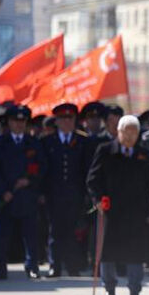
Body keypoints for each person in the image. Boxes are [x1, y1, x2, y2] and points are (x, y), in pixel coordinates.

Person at [86, 115, 149, 295]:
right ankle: (109, 287)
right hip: (111, 209)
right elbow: (93, 179)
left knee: (136, 251)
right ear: (119, 131)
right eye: (127, 131)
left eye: (134, 131)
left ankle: (134, 289)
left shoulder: (144, 153)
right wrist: (98, 200)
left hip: (135, 211)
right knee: (108, 250)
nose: (130, 135)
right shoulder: (106, 150)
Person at [0, 104, 45, 280]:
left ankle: (32, 266)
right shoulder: (0, 143)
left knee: (30, 234)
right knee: (2, 235)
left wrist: (30, 181)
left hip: (27, 196)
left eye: (22, 121)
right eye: (15, 121)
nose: (19, 124)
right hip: (7, 196)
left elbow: (43, 167)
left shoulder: (33, 143)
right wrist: (2, 190)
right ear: (9, 122)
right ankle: (0, 267)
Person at [40, 102, 90, 278]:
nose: (67, 122)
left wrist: (86, 194)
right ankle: (55, 265)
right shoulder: (47, 142)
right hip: (54, 194)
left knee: (73, 231)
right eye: (63, 118)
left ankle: (73, 265)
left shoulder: (83, 141)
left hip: (75, 194)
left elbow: (86, 169)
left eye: (70, 118)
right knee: (55, 231)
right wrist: (42, 193)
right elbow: (43, 170)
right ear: (57, 121)